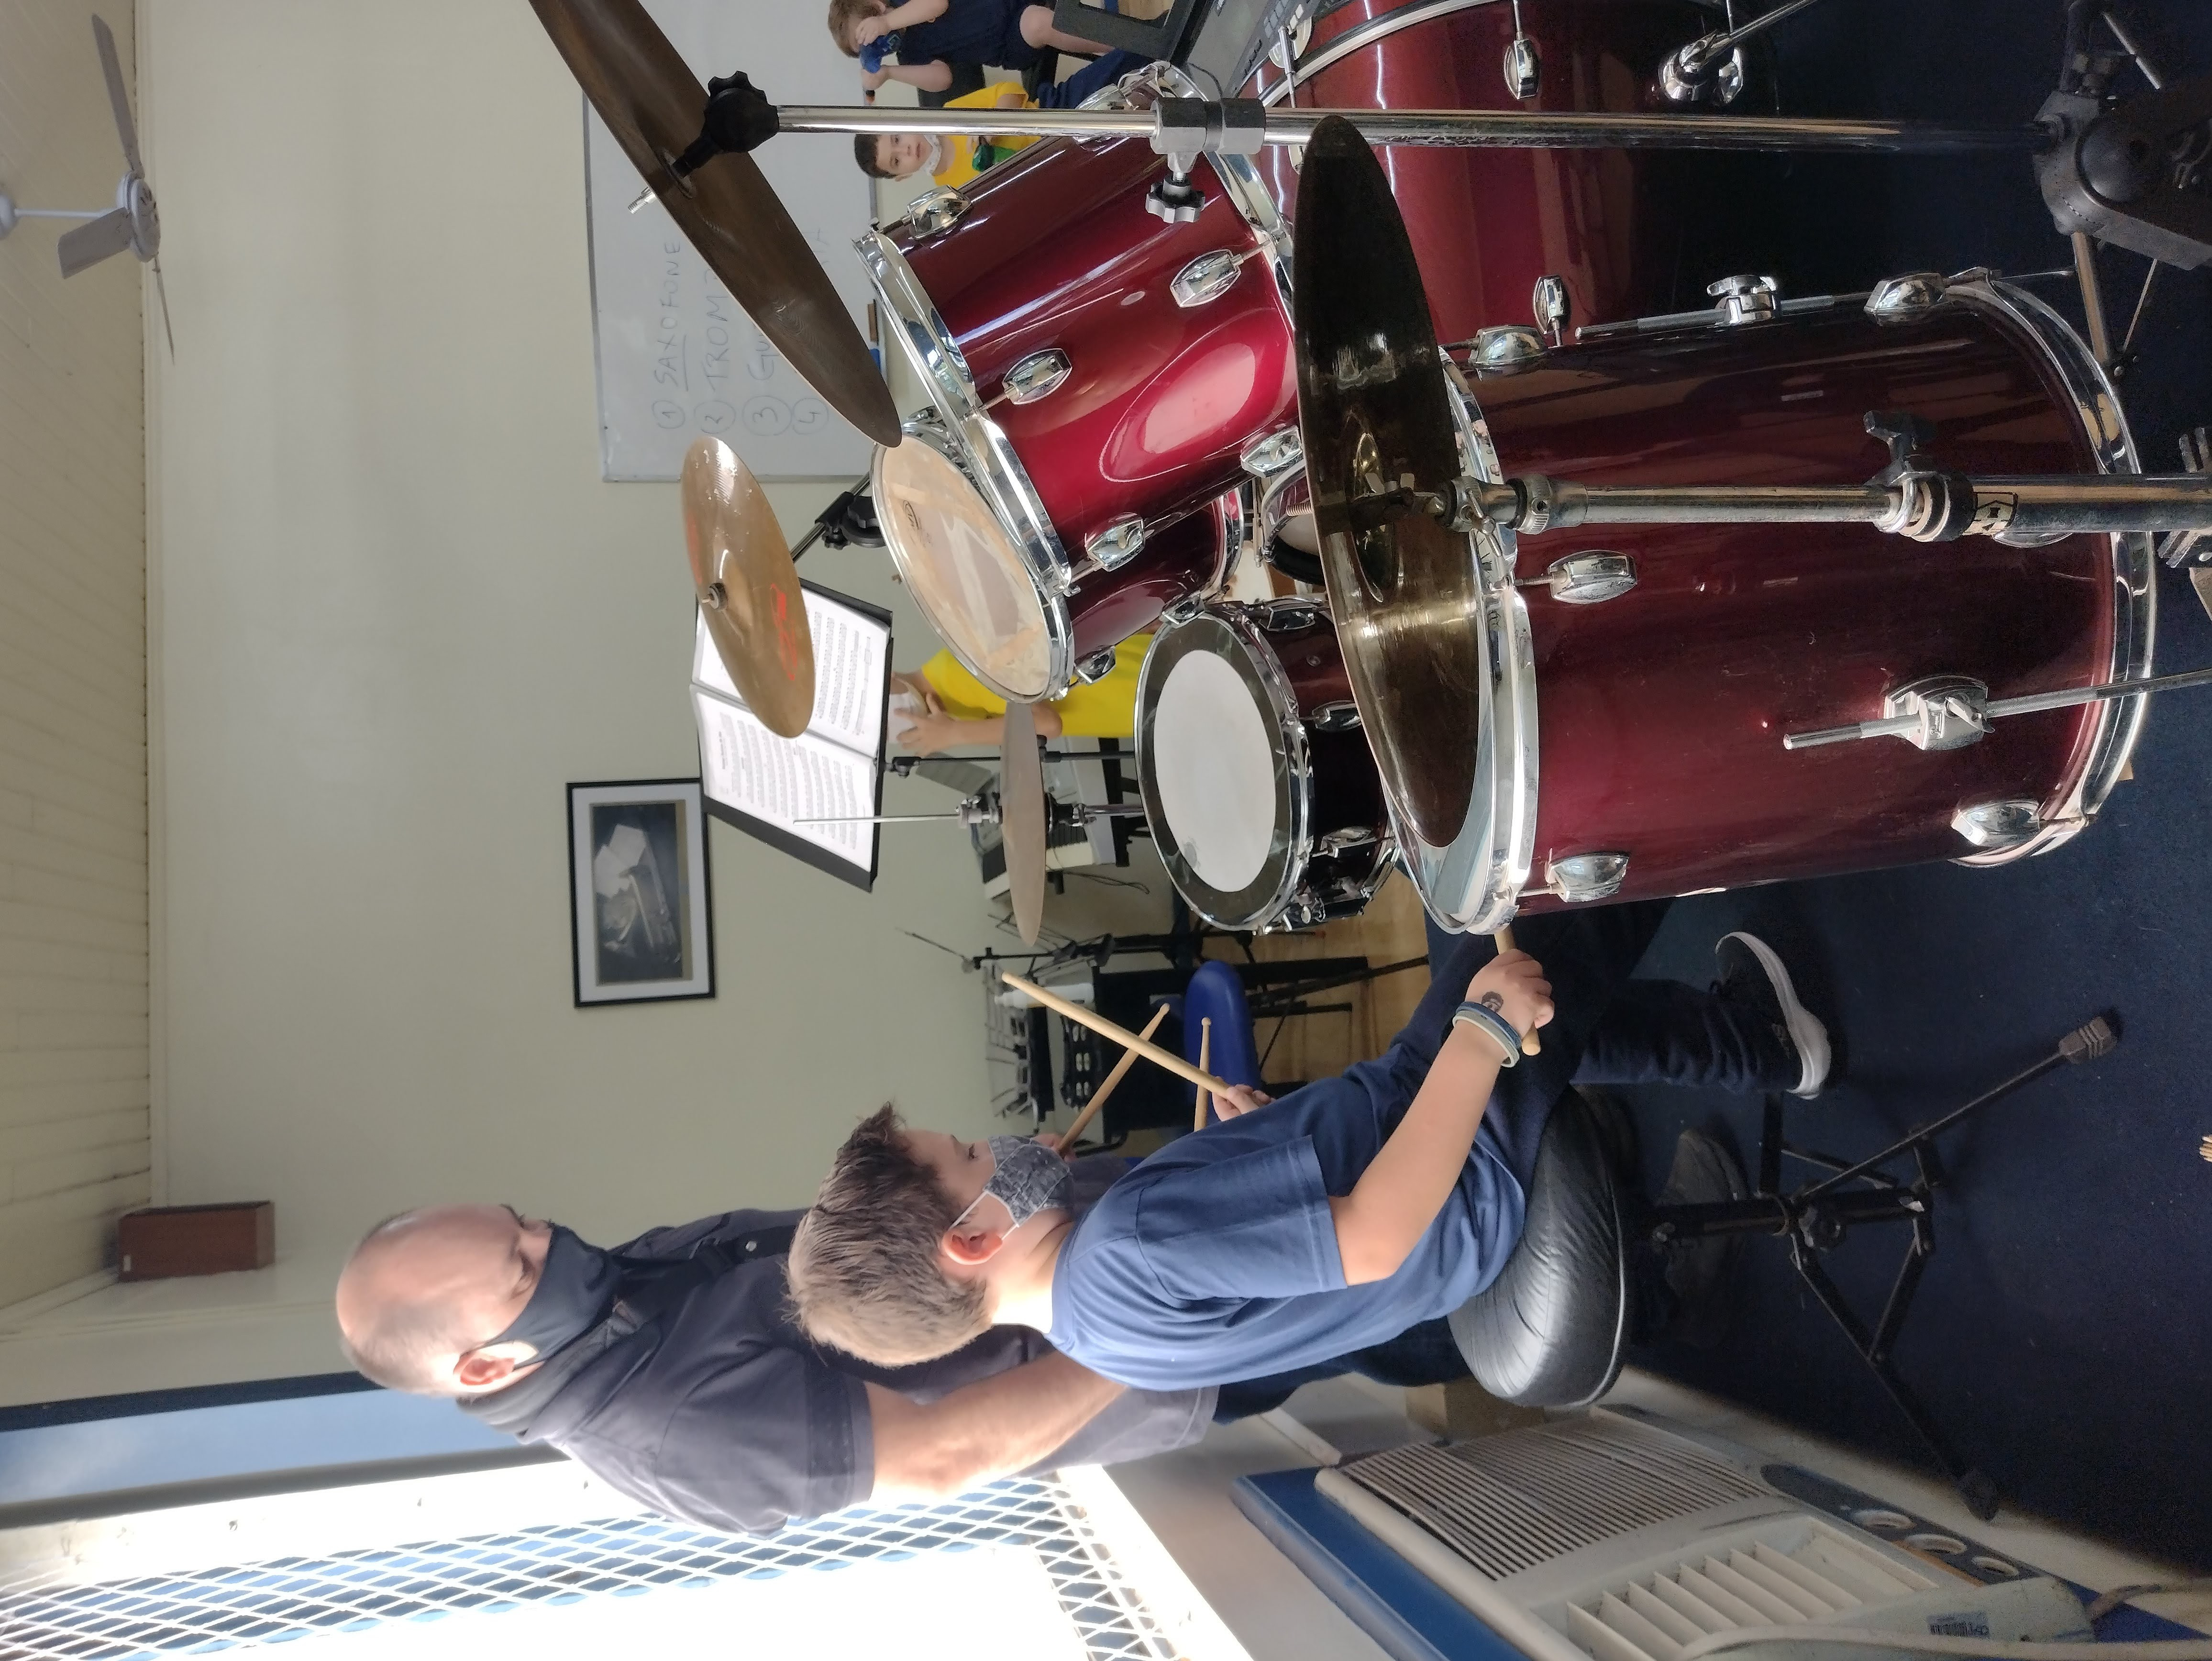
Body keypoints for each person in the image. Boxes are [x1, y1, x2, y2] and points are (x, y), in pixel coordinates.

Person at [786, 913, 1834, 1385]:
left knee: (1533, 994)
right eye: (971, 1154)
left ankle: (1760, 1043)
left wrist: (1240, 1149)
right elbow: (1371, 1237)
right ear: (973, 1240)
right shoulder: (1122, 1249)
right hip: (1454, 1183)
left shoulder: (1092, 1326)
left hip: (1420, 1178)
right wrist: (1476, 1037)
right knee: (1561, 874)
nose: (1000, 1141)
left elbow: (1263, 1275)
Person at [331, 1159, 1485, 1531]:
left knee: (1386, 1180)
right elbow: (944, 1454)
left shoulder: (601, 1295)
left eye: (521, 1219)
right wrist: (1142, 1323)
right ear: (486, 1366)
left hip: (1106, 1243)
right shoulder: (668, 1439)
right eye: (520, 1265)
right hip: (1158, 1337)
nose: (547, 1239)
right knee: (1437, 1266)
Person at [853, 50, 1149, 187]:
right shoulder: (952, 191)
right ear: (903, 176)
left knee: (1125, 64)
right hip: (1056, 167)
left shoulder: (949, 114)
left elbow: (1010, 91)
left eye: (897, 139)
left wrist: (991, 126)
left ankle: (1166, 45)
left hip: (1051, 111)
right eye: (897, 161)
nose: (906, 149)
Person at [889, 633, 1149, 753]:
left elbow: (1047, 724)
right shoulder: (952, 700)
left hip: (1136, 683)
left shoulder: (955, 675)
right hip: (1136, 699)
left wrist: (955, 734)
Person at [830, 0, 1110, 99]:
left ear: (876, 6)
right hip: (1008, 42)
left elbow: (937, 4)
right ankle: (1117, 46)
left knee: (1038, 17)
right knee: (1038, 22)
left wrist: (887, 21)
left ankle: (1119, 38)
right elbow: (943, 79)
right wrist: (890, 73)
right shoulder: (909, 54)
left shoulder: (905, 4)